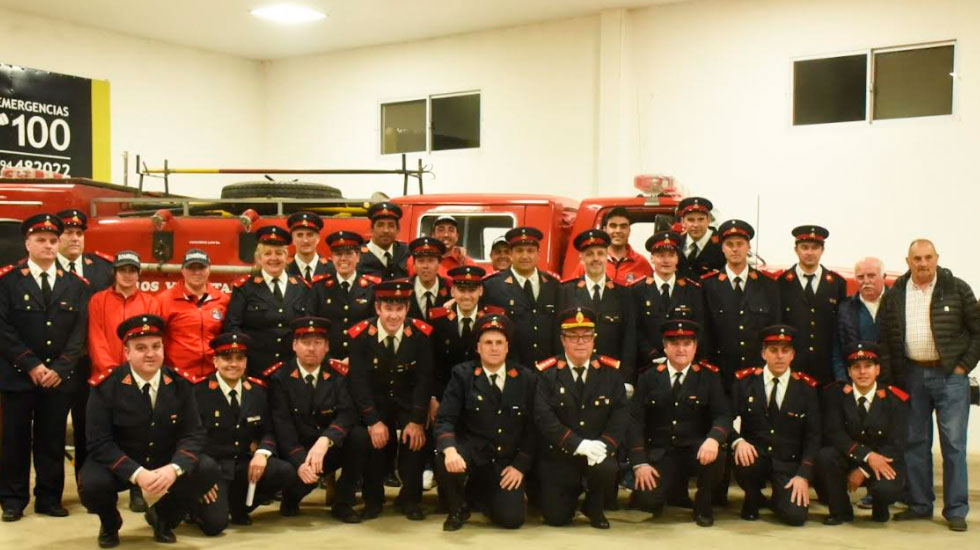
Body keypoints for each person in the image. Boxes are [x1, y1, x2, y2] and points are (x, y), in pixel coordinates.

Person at [78, 315, 219, 547]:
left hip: (163, 460)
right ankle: (110, 522)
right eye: (140, 348)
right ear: (126, 352)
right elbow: (99, 442)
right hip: (122, 462)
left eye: (156, 346)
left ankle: (162, 518)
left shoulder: (180, 384)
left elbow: (193, 433)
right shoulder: (106, 387)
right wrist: (137, 473)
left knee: (206, 468)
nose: (150, 354)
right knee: (92, 483)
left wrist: (175, 469)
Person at [878, 239, 979, 532]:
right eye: (917, 258)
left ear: (937, 258)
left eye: (928, 257)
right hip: (912, 376)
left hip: (950, 377)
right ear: (907, 261)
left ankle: (956, 509)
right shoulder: (896, 293)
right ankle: (920, 505)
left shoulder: (957, 288)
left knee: (954, 445)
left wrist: (963, 366)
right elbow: (885, 338)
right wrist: (893, 375)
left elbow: (977, 332)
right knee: (914, 442)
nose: (922, 263)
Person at [0, 213, 89, 522]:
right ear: (27, 242)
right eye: (41, 240)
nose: (48, 246)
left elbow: (79, 333)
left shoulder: (76, 286)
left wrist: (61, 368)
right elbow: (4, 329)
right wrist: (32, 365)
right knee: (15, 439)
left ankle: (49, 498)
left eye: (53, 241)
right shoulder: (8, 281)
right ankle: (12, 499)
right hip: (17, 376)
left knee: (51, 440)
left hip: (57, 380)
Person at [436, 314, 536, 531]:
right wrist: (450, 450)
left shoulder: (526, 379)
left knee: (512, 520)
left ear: (507, 347)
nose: (494, 348)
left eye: (499, 342)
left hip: (505, 461)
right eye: (488, 343)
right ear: (478, 348)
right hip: (472, 455)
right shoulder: (463, 375)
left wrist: (520, 466)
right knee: (444, 457)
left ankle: (482, 497)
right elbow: (445, 419)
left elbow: (533, 428)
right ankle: (458, 507)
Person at [628, 319, 731, 527]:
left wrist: (713, 439)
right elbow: (635, 421)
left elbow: (723, 415)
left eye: (687, 344)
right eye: (675, 344)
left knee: (718, 456)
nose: (681, 349)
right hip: (662, 452)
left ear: (695, 347)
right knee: (646, 502)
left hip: (696, 450)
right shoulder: (648, 377)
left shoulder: (708, 377)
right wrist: (640, 462)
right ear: (665, 347)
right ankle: (670, 491)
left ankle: (703, 505)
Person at [190, 332, 296, 533]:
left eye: (239, 358)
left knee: (285, 472)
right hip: (215, 468)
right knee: (215, 526)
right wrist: (201, 480)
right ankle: (194, 506)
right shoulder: (198, 392)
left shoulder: (257, 391)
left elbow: (269, 430)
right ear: (215, 361)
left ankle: (240, 507)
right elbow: (191, 439)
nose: (233, 364)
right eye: (227, 358)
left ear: (246, 362)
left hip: (243, 465)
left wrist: (262, 453)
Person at [346, 280, 434, 520]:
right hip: (376, 404)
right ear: (378, 308)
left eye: (399, 309)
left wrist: (417, 420)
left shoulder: (419, 334)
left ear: (407, 309)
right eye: (388, 308)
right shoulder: (360, 335)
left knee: (416, 440)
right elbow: (358, 382)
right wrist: (373, 421)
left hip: (407, 403)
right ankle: (373, 499)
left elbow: (424, 379)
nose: (393, 315)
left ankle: (410, 498)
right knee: (373, 442)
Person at [534, 307, 628, 529]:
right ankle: (570, 496)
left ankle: (594, 506)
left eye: (586, 336)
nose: (580, 342)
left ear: (594, 339)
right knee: (556, 519)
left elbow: (621, 413)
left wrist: (605, 445)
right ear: (562, 340)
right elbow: (543, 417)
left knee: (606, 467)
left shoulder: (610, 372)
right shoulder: (547, 373)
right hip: (560, 454)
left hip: (596, 453)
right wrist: (577, 444)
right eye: (573, 336)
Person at [266, 317, 367, 522]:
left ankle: (343, 501)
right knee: (300, 482)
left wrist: (325, 440)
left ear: (327, 346)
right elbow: (283, 427)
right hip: (296, 450)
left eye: (317, 343)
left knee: (359, 437)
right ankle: (291, 497)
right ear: (294, 345)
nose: (311, 348)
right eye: (305, 342)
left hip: (327, 447)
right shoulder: (280, 377)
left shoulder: (338, 374)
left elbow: (347, 413)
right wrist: (301, 462)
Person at [730, 325, 820, 525]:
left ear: (792, 354)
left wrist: (803, 475)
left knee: (795, 517)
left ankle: (778, 498)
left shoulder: (806, 388)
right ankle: (752, 496)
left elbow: (814, 436)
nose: (779, 356)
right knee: (742, 457)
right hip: (755, 458)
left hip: (787, 462)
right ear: (763, 353)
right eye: (773, 350)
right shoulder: (744, 382)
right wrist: (738, 441)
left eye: (785, 350)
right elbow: (726, 419)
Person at [817, 342, 908, 525]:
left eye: (868, 366)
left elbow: (897, 443)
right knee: (825, 456)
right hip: (849, 457)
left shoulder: (895, 399)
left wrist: (864, 469)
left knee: (885, 488)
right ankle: (840, 512)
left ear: (877, 370)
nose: (862, 372)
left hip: (882, 461)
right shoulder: (836, 395)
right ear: (849, 372)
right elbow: (834, 434)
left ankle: (880, 508)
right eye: (856, 367)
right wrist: (865, 456)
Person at [55, 209, 113, 477]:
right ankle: (50, 491)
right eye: (68, 233)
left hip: (91, 362)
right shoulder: (42, 268)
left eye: (79, 233)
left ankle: (85, 481)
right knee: (51, 428)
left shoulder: (102, 269)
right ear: (57, 237)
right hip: (55, 363)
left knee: (88, 424)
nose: (75, 238)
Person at [701, 220, 781, 392]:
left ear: (748, 247)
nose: (735, 249)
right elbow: (704, 333)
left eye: (740, 244)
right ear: (722, 248)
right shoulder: (708, 286)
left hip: (758, 373)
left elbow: (775, 330)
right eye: (729, 244)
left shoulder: (768, 285)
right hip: (720, 375)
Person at [224, 225, 313, 380]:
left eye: (279, 253)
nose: (274, 258)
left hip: (292, 369)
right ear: (259, 258)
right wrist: (239, 363)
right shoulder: (245, 288)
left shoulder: (302, 287)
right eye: (267, 253)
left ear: (287, 257)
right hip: (255, 368)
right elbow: (233, 327)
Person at [559, 229, 637, 390]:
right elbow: (558, 336)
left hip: (612, 375)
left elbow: (630, 338)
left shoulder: (624, 294)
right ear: (581, 258)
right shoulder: (565, 291)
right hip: (575, 375)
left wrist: (627, 378)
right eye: (589, 254)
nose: (595, 259)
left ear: (606, 256)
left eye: (600, 253)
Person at [776, 226, 847, 385]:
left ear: (822, 250)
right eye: (804, 247)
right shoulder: (781, 283)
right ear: (796, 250)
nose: (809, 252)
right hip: (792, 368)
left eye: (815, 247)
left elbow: (839, 328)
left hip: (826, 369)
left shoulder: (837, 283)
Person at [483, 227, 560, 366]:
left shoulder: (553, 285)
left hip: (547, 368)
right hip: (511, 369)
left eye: (530, 251)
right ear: (511, 254)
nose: (525, 256)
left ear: (538, 254)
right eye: (519, 251)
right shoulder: (492, 286)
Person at [633, 230, 705, 370]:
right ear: (652, 258)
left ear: (677, 258)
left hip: (684, 365)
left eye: (671, 255)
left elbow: (700, 327)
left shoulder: (692, 290)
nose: (666, 260)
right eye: (661, 256)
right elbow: (634, 330)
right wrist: (651, 355)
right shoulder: (637, 290)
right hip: (647, 366)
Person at [87, 250, 162, 383]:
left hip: (140, 377)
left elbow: (151, 341)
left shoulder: (151, 302)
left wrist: (135, 373)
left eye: (132, 270)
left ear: (139, 273)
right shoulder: (97, 300)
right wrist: (111, 371)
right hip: (105, 377)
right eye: (122, 270)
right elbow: (96, 339)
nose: (127, 275)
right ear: (114, 273)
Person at [159, 249, 230, 384]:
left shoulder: (223, 300)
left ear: (209, 269)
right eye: (191, 267)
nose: (196, 272)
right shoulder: (164, 300)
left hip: (214, 376)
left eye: (201, 267)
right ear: (182, 270)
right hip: (176, 377)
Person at [311, 231, 380, 360]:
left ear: (358, 257)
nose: (343, 258)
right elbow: (314, 328)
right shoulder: (319, 287)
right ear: (332, 257)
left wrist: (356, 358)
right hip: (327, 359)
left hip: (362, 359)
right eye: (338, 254)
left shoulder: (372, 288)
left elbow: (376, 328)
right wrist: (326, 357)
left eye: (349, 253)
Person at [834, 257, 887, 381]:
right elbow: (837, 351)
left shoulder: (897, 303)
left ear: (883, 276)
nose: (866, 281)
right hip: (857, 382)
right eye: (860, 277)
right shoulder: (844, 309)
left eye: (871, 276)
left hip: (891, 384)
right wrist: (843, 382)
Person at [570, 207, 652, 286]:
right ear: (605, 229)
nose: (618, 231)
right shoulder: (588, 263)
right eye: (613, 226)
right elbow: (572, 293)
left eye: (623, 226)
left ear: (629, 231)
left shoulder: (642, 263)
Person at [357, 202, 410, 280]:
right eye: (380, 225)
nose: (386, 230)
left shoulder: (406, 253)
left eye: (391, 225)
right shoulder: (358, 256)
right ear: (371, 229)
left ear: (398, 230)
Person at [675, 197, 725, 279]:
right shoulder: (677, 243)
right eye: (691, 220)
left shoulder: (723, 244)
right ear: (683, 222)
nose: (695, 225)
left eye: (701, 219)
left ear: (708, 220)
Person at [407, 236, 451, 321]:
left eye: (431, 261)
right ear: (414, 264)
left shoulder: (450, 289)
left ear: (439, 264)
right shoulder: (404, 290)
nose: (425, 266)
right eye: (421, 261)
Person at [284, 211, 330, 283]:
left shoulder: (332, 268)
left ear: (318, 238)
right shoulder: (283, 269)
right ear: (293, 239)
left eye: (310, 235)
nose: (305, 240)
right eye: (299, 235)